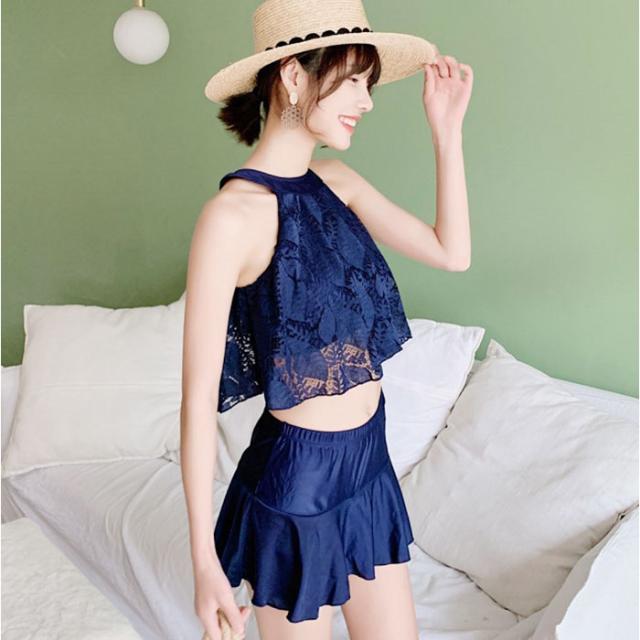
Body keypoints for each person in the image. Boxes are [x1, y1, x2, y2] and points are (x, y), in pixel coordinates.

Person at [180, 1, 473, 639]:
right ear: (293, 75)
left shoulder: (337, 182)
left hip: (369, 463)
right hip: (296, 489)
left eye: (370, 85)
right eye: (353, 81)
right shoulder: (230, 218)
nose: (366, 101)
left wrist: (446, 134)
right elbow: (197, 403)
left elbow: (452, 253)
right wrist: (203, 561)